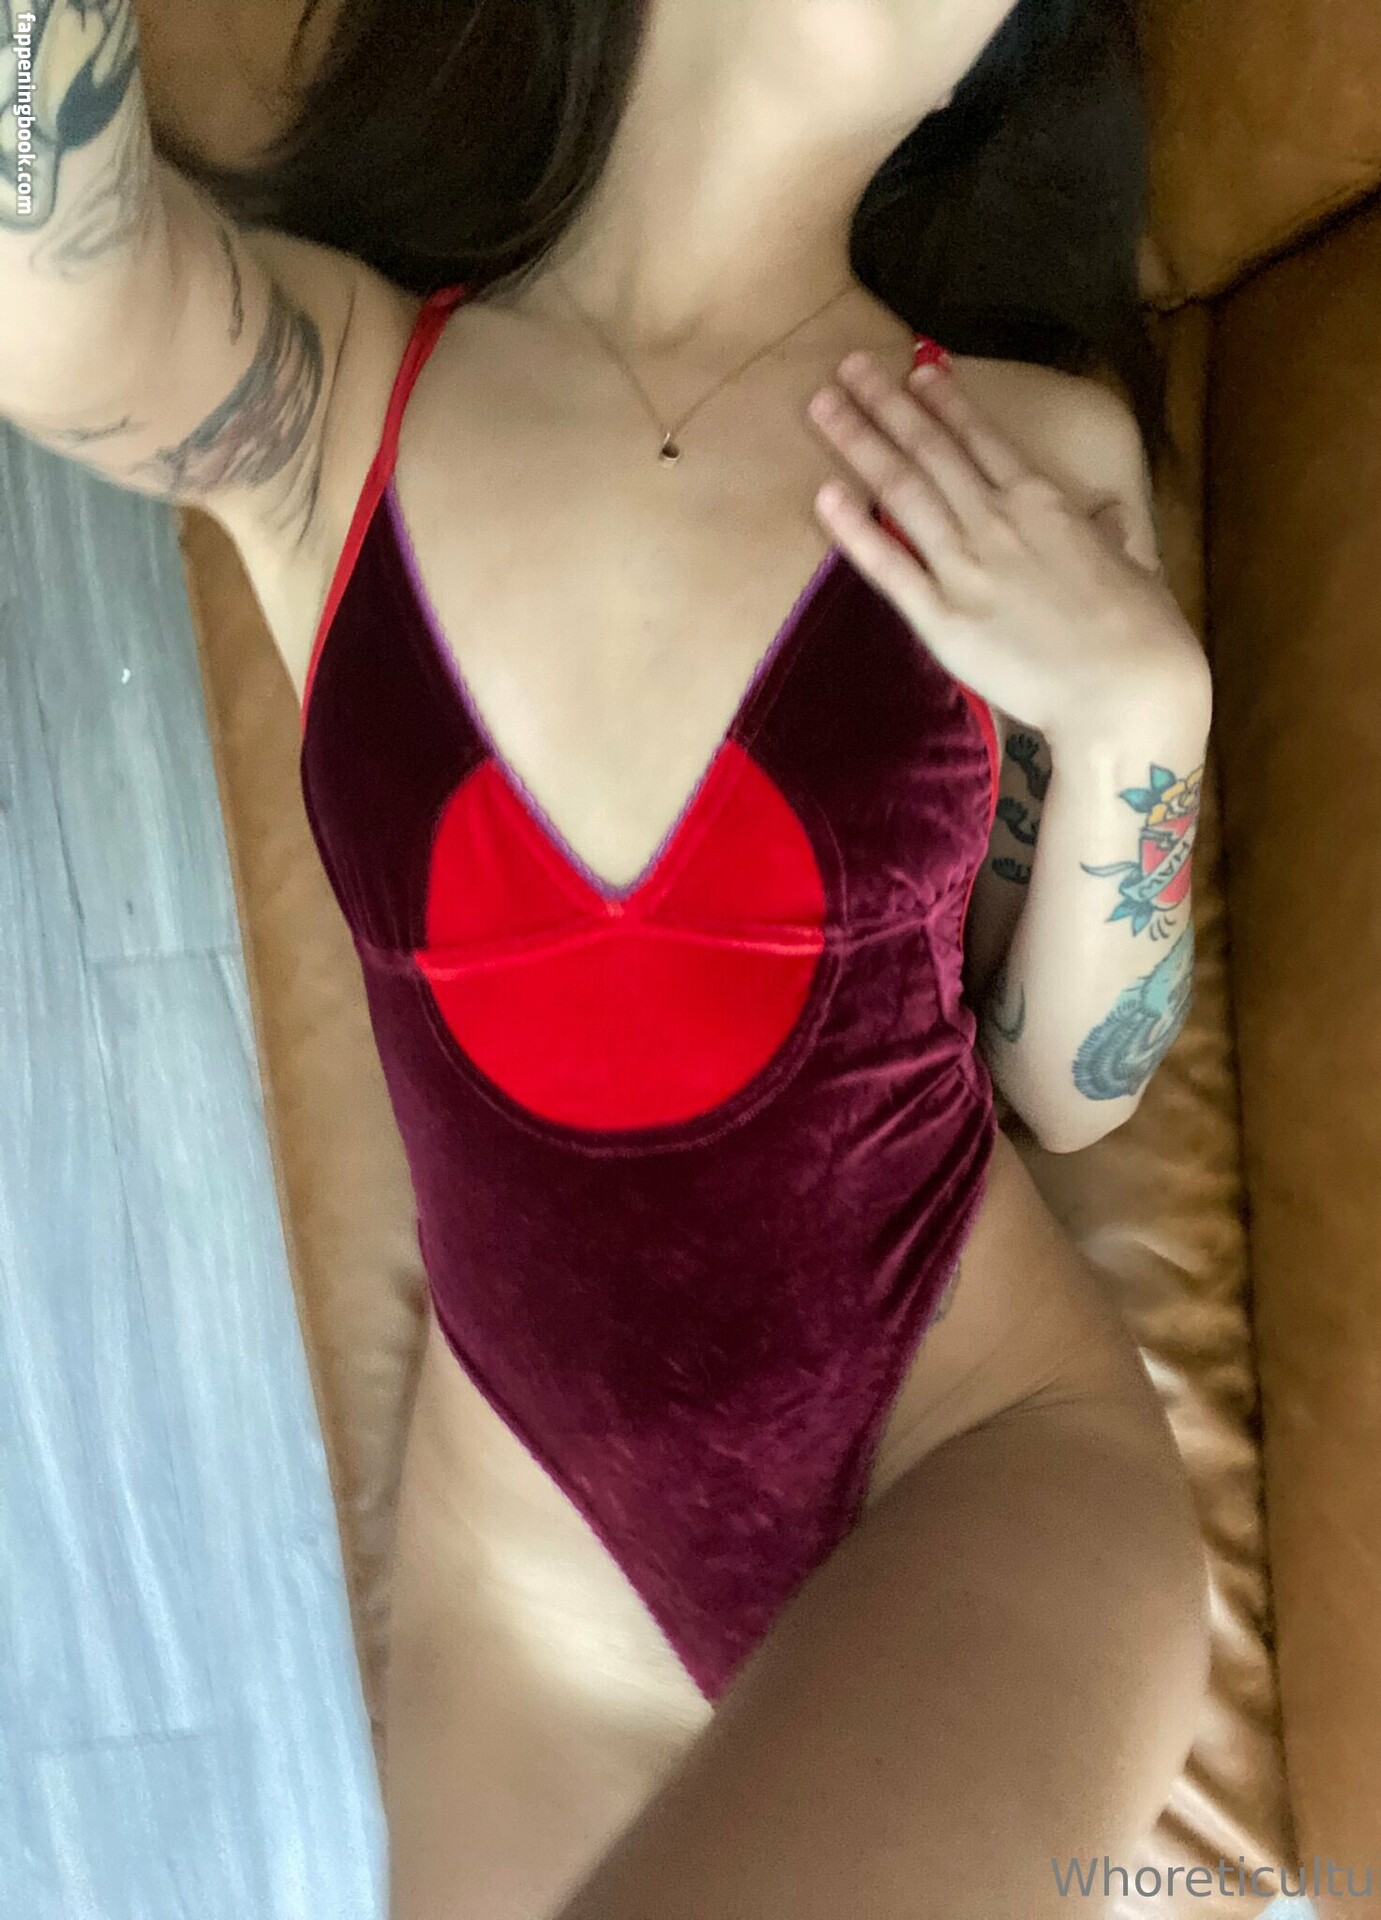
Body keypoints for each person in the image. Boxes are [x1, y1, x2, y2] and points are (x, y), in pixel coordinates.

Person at [1, 2, 1214, 1914]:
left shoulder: (1021, 451)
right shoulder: (336, 397)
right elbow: (61, 307)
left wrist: (1147, 713)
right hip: (534, 1612)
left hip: (977, 1453)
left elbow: (1064, 1087)